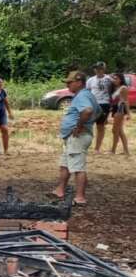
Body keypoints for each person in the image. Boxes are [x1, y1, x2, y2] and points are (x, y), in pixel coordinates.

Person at [52, 70, 99, 205]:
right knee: (65, 164)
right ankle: (60, 190)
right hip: (74, 137)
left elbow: (88, 111)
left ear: (79, 82)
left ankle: (80, 198)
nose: (67, 85)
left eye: (70, 82)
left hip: (78, 137)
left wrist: (79, 126)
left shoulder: (82, 96)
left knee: (78, 167)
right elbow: (99, 112)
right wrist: (88, 124)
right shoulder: (87, 95)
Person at [86, 61, 113, 152]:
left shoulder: (109, 79)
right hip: (93, 104)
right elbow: (87, 92)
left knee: (100, 126)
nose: (98, 70)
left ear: (104, 69)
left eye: (100, 69)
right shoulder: (90, 80)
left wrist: (112, 106)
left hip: (104, 104)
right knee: (87, 125)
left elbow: (115, 90)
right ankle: (85, 145)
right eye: (96, 68)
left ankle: (97, 148)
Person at [110, 69, 130, 156]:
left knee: (115, 130)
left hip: (120, 109)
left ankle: (113, 150)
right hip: (115, 109)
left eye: (116, 78)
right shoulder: (115, 88)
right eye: (114, 78)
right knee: (120, 130)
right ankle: (126, 151)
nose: (114, 80)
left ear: (121, 79)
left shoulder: (123, 88)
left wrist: (128, 113)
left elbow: (126, 101)